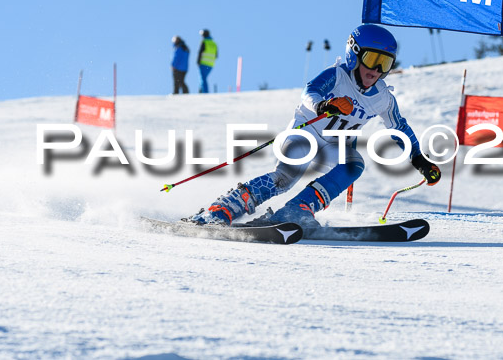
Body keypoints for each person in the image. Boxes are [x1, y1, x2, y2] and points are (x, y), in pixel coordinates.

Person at [187, 24, 441, 228]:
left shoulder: (383, 97)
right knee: (284, 179)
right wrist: (324, 105)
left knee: (354, 165)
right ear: (354, 53)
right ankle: (223, 209)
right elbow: (310, 91)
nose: (376, 69)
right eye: (372, 58)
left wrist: (419, 160)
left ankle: (298, 209)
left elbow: (400, 128)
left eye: (385, 63)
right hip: (305, 134)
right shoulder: (338, 75)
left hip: (332, 145)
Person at [197, 29, 218, 93]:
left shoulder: (204, 42)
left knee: (203, 78)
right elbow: (216, 55)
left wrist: (198, 61)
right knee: (203, 78)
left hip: (203, 63)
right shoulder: (214, 43)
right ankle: (201, 91)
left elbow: (200, 52)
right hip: (211, 64)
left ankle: (205, 92)